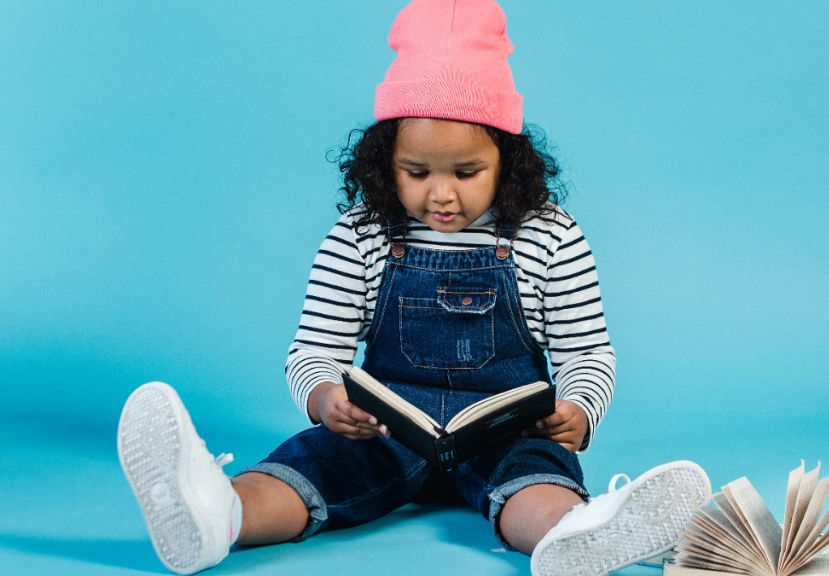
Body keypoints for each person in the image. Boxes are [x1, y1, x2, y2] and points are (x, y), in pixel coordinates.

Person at [115, 1, 711, 575]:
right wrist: (326, 401)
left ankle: (576, 535)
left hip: (505, 433)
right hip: (385, 431)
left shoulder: (549, 234)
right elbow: (314, 351)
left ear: (507, 159)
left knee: (535, 476)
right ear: (384, 161)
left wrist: (578, 411)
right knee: (316, 464)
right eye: (417, 173)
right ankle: (216, 514)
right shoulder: (362, 234)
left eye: (466, 173)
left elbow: (587, 353)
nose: (441, 195)